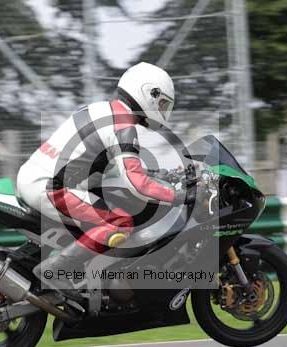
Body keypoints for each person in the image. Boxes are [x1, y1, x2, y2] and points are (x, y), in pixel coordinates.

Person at [17, 62, 194, 300]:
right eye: (162, 103)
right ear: (148, 93)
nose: (163, 110)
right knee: (120, 222)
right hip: (50, 188)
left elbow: (117, 168)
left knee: (110, 206)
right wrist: (178, 195)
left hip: (36, 178)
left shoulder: (102, 110)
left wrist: (158, 175)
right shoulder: (123, 126)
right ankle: (56, 270)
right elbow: (136, 183)